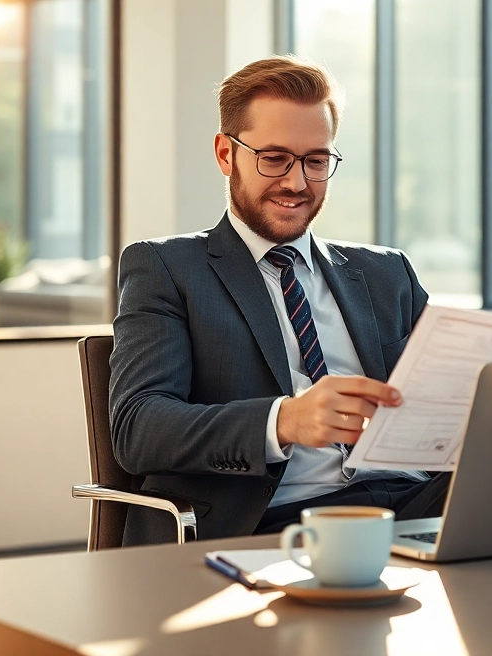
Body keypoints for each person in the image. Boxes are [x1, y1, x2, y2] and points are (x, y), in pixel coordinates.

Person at [109, 55, 450, 545]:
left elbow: (443, 402)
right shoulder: (167, 268)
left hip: (414, 502)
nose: (297, 182)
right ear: (226, 154)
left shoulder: (387, 272)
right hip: (277, 520)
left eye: (316, 161)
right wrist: (284, 420)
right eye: (274, 158)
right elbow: (138, 428)